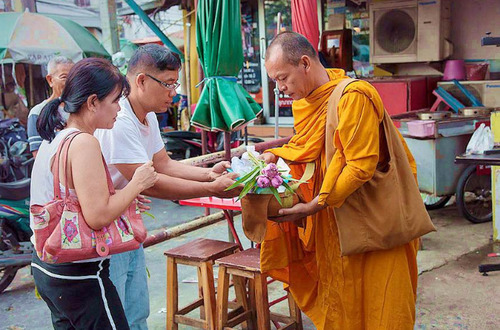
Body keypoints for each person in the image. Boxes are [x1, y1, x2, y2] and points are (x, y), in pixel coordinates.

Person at [259, 31, 419, 329]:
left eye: (282, 78)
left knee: (382, 305)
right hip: (335, 223)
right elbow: (310, 147)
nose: (280, 89)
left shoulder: (353, 97)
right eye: (275, 82)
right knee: (342, 302)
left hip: (373, 222)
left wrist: (315, 205)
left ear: (305, 63)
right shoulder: (309, 101)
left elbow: (360, 165)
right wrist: (277, 156)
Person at [94, 44, 240, 330]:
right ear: (141, 81)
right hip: (103, 228)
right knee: (118, 312)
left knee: (136, 311)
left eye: (176, 83)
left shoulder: (147, 114)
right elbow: (152, 184)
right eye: (169, 84)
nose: (174, 92)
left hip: (125, 220)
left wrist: (210, 175)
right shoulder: (120, 120)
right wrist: (213, 188)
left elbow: (163, 164)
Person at [30, 58, 158, 329]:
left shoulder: (54, 137)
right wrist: (137, 183)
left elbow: (77, 199)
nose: (119, 109)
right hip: (80, 274)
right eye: (114, 101)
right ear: (92, 102)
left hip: (47, 268)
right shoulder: (84, 142)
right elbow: (97, 215)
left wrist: (126, 198)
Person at [27, 56, 74, 157]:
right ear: (50, 80)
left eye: (73, 77)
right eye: (64, 77)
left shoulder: (79, 108)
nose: (70, 83)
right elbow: (38, 154)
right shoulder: (38, 112)